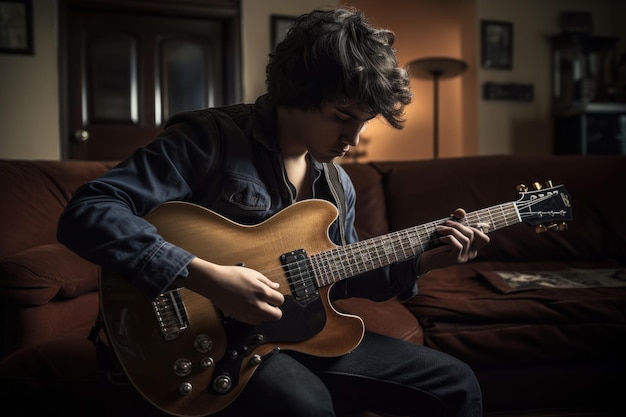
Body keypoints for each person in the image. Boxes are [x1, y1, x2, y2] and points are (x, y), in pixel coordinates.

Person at [57, 6, 489, 417]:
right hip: (202, 344)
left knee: (457, 381)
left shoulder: (338, 185)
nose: (353, 138)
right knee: (305, 405)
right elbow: (89, 211)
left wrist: (426, 260)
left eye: (363, 121)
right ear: (299, 91)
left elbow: (340, 275)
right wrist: (206, 276)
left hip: (294, 337)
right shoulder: (209, 138)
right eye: (342, 117)